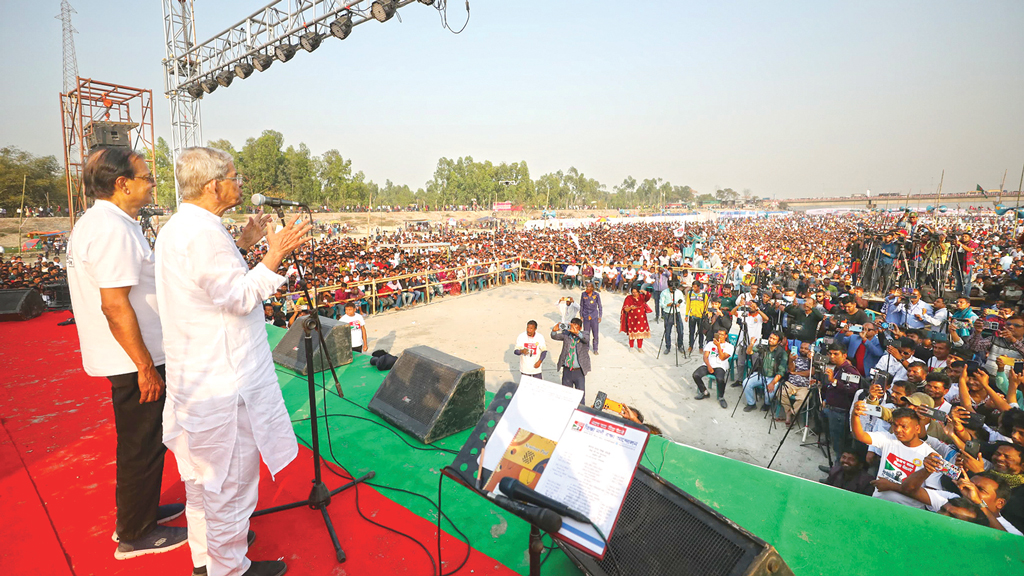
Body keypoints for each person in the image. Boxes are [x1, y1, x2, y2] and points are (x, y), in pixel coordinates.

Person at [156, 147, 311, 576]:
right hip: (223, 383)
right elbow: (240, 297)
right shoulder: (202, 233)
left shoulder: (185, 227)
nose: (240, 183)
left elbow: (212, 285)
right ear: (213, 185)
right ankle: (230, 569)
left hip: (198, 377)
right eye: (234, 176)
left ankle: (208, 558)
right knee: (230, 485)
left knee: (204, 485)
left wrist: (242, 244)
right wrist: (273, 256)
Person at [66, 147, 188, 559]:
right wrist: (144, 367)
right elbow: (115, 305)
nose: (152, 183)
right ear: (122, 184)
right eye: (147, 177)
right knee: (143, 443)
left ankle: (143, 511)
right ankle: (136, 532)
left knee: (145, 440)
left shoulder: (110, 222)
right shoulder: (111, 229)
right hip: (134, 359)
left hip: (134, 356)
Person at [851, 403, 937, 509]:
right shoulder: (888, 439)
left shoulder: (930, 456)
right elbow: (860, 435)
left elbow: (931, 498)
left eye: (904, 426)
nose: (898, 430)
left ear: (917, 428)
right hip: (878, 504)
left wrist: (892, 486)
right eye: (895, 425)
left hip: (909, 512)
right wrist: (855, 416)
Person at [822, 343, 862, 462]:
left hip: (840, 412)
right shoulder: (837, 368)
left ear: (844, 355)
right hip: (831, 408)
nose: (832, 356)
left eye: (836, 354)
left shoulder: (850, 371)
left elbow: (853, 390)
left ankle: (838, 472)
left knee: (840, 446)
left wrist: (834, 381)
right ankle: (834, 469)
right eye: (830, 354)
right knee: (834, 443)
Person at [741, 331, 789, 413]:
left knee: (769, 392)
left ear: (779, 342)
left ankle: (767, 404)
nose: (771, 340)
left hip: (773, 377)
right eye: (770, 337)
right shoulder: (763, 347)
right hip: (761, 374)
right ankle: (751, 403)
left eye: (774, 339)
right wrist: (751, 344)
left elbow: (781, 371)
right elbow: (749, 352)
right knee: (746, 382)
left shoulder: (782, 353)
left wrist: (773, 383)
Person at [692, 328, 734, 409]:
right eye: (718, 334)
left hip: (720, 366)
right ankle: (704, 392)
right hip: (708, 364)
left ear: (725, 336)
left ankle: (721, 397)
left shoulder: (729, 346)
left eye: (722, 335)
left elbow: (722, 357)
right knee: (696, 375)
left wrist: (718, 345)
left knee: (720, 380)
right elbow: (705, 356)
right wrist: (709, 366)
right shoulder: (710, 344)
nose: (720, 336)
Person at [550, 318, 591, 398]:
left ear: (580, 328)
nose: (573, 328)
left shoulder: (584, 334)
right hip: (567, 370)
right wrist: (554, 331)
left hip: (579, 371)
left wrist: (577, 333)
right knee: (566, 395)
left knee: (580, 396)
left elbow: (586, 339)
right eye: (572, 325)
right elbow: (554, 337)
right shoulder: (566, 335)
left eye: (576, 326)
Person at [779, 341, 813, 426]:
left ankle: (791, 413)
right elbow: (792, 370)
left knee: (803, 399)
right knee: (780, 393)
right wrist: (790, 360)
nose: (803, 350)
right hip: (791, 383)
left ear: (810, 350)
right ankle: (789, 412)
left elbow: (811, 372)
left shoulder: (813, 360)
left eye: (806, 349)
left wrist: (811, 359)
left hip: (804, 386)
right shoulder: (796, 357)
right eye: (801, 348)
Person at [620, 285, 652, 352]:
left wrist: (644, 291)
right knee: (632, 333)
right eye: (633, 292)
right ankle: (631, 347)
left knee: (641, 333)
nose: (634, 294)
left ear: (638, 292)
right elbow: (625, 309)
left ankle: (639, 347)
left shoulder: (642, 296)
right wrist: (631, 308)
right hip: (632, 318)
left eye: (636, 292)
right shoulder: (628, 298)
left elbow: (649, 296)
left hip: (641, 318)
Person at [660, 280, 686, 354]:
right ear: (668, 286)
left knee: (680, 330)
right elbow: (661, 304)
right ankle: (668, 347)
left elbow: (683, 302)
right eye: (671, 289)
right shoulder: (664, 292)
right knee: (667, 331)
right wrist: (668, 304)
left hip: (676, 312)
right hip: (668, 313)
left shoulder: (678, 292)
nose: (673, 290)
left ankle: (680, 345)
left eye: (674, 288)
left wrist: (679, 305)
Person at [579, 281, 603, 355]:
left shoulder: (596, 295)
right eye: (587, 286)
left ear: (592, 288)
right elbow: (581, 306)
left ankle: (595, 349)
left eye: (590, 287)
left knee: (595, 334)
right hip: (586, 316)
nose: (588, 288)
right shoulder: (583, 294)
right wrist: (581, 316)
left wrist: (600, 316)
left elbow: (600, 306)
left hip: (594, 316)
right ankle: (586, 348)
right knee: (586, 334)